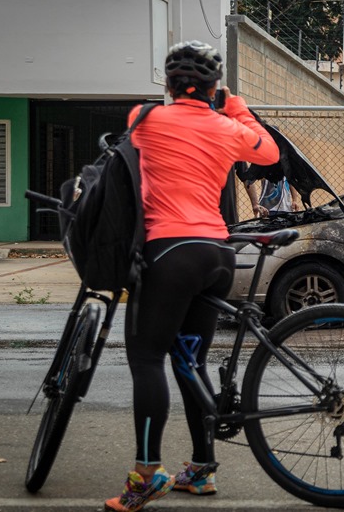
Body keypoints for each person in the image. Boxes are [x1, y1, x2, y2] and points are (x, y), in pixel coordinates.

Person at [104, 40, 279, 512]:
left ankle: (146, 475)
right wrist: (236, 106)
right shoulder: (227, 126)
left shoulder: (144, 119)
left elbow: (129, 150)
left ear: (168, 83)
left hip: (170, 253)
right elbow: (268, 152)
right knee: (190, 362)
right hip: (217, 255)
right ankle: (201, 471)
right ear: (215, 87)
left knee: (147, 360)